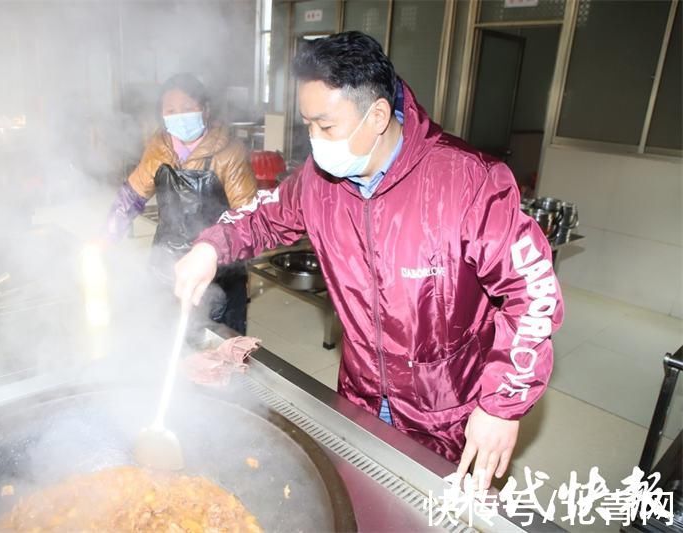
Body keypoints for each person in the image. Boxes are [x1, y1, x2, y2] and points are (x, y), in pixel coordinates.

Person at [174, 32, 564, 488]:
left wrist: (500, 405)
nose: (315, 142)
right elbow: (263, 216)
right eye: (308, 126)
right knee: (361, 499)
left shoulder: (468, 182)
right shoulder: (319, 181)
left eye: (327, 126)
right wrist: (211, 246)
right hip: (359, 393)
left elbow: (532, 293)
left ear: (378, 115)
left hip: (450, 411)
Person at [105, 73, 257, 335]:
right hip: (166, 268)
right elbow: (132, 196)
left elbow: (249, 217)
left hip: (216, 273)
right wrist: (106, 236)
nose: (180, 116)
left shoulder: (229, 152)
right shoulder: (158, 148)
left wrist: (213, 251)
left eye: (188, 109)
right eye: (171, 111)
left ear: (205, 110)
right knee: (163, 340)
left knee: (216, 350)